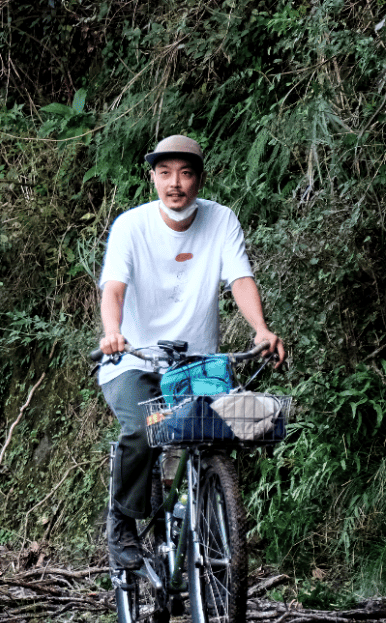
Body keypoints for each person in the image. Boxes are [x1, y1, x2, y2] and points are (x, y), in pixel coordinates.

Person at [97, 134, 286, 570]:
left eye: (184, 173)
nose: (174, 183)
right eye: (165, 173)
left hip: (197, 366)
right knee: (141, 430)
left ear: (199, 178)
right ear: (152, 178)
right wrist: (112, 333)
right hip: (134, 360)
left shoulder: (221, 221)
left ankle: (212, 517)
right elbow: (114, 289)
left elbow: (239, 278)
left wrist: (260, 329)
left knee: (230, 431)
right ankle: (123, 519)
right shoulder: (132, 226)